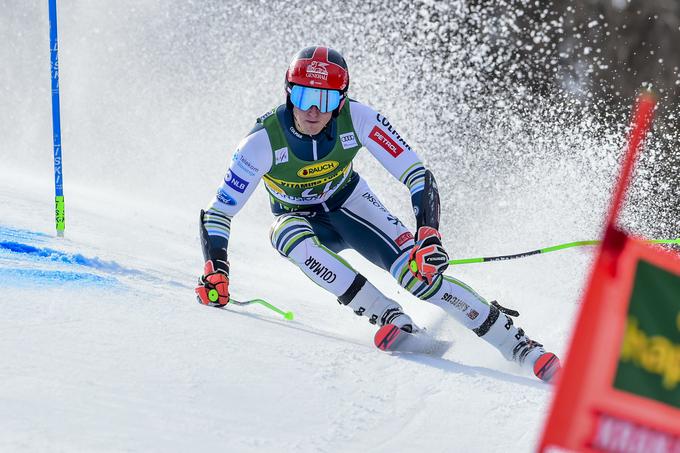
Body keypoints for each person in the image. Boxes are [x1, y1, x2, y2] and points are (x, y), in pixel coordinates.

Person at [195, 46, 561, 382]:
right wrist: (217, 268)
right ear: (288, 91)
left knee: (419, 275)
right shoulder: (260, 142)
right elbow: (218, 212)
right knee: (286, 235)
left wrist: (428, 234)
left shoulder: (360, 118)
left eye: (324, 99)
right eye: (304, 95)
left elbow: (418, 174)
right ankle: (389, 316)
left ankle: (518, 345)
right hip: (301, 220)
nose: (313, 110)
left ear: (341, 100)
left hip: (352, 206)